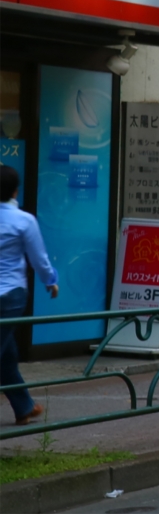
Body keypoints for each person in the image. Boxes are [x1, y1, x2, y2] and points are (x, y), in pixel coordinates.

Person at [1, 164, 57, 425]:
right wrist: (51, 281)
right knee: (3, 350)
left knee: (7, 351)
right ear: (15, 191)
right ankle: (23, 406)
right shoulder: (24, 220)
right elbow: (39, 258)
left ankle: (23, 407)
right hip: (12, 295)